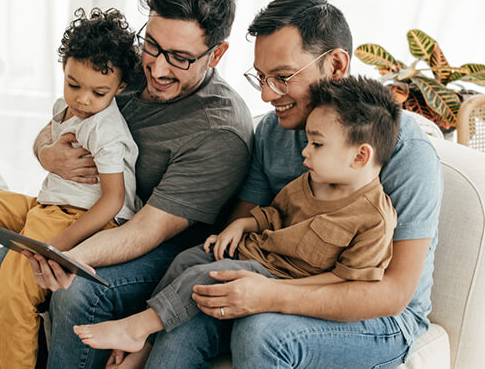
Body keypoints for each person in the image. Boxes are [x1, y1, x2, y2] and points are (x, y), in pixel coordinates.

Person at [142, 0, 443, 369]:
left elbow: (393, 293)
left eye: (283, 77)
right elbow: (244, 233)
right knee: (191, 315)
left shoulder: (403, 151)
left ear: (335, 65)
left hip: (378, 317)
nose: (268, 94)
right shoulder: (273, 132)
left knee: (262, 332)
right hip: (282, 274)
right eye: (262, 78)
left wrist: (271, 295)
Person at [0, 0, 254, 368]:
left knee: (76, 290)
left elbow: (149, 231)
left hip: (164, 246)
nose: (157, 70)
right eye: (153, 46)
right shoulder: (123, 70)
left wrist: (64, 254)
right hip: (99, 216)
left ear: (217, 54)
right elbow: (59, 121)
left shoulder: (220, 129)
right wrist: (46, 152)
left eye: (179, 58)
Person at [73, 76, 401, 357]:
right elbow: (273, 215)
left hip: (283, 281)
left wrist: (293, 288)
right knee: (189, 260)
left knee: (209, 276)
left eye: (316, 144)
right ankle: (149, 332)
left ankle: (138, 328)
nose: (305, 151)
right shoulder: (307, 183)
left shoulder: (374, 218)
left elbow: (349, 279)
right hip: (256, 257)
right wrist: (242, 224)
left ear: (360, 156)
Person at [0, 7, 145, 368]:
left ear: (119, 88)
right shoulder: (66, 108)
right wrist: (45, 153)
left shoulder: (107, 131)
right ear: (63, 71)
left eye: (98, 92)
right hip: (49, 205)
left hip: (85, 217)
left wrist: (59, 244)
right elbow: (46, 141)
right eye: (74, 85)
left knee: (14, 282)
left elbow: (114, 200)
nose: (83, 99)